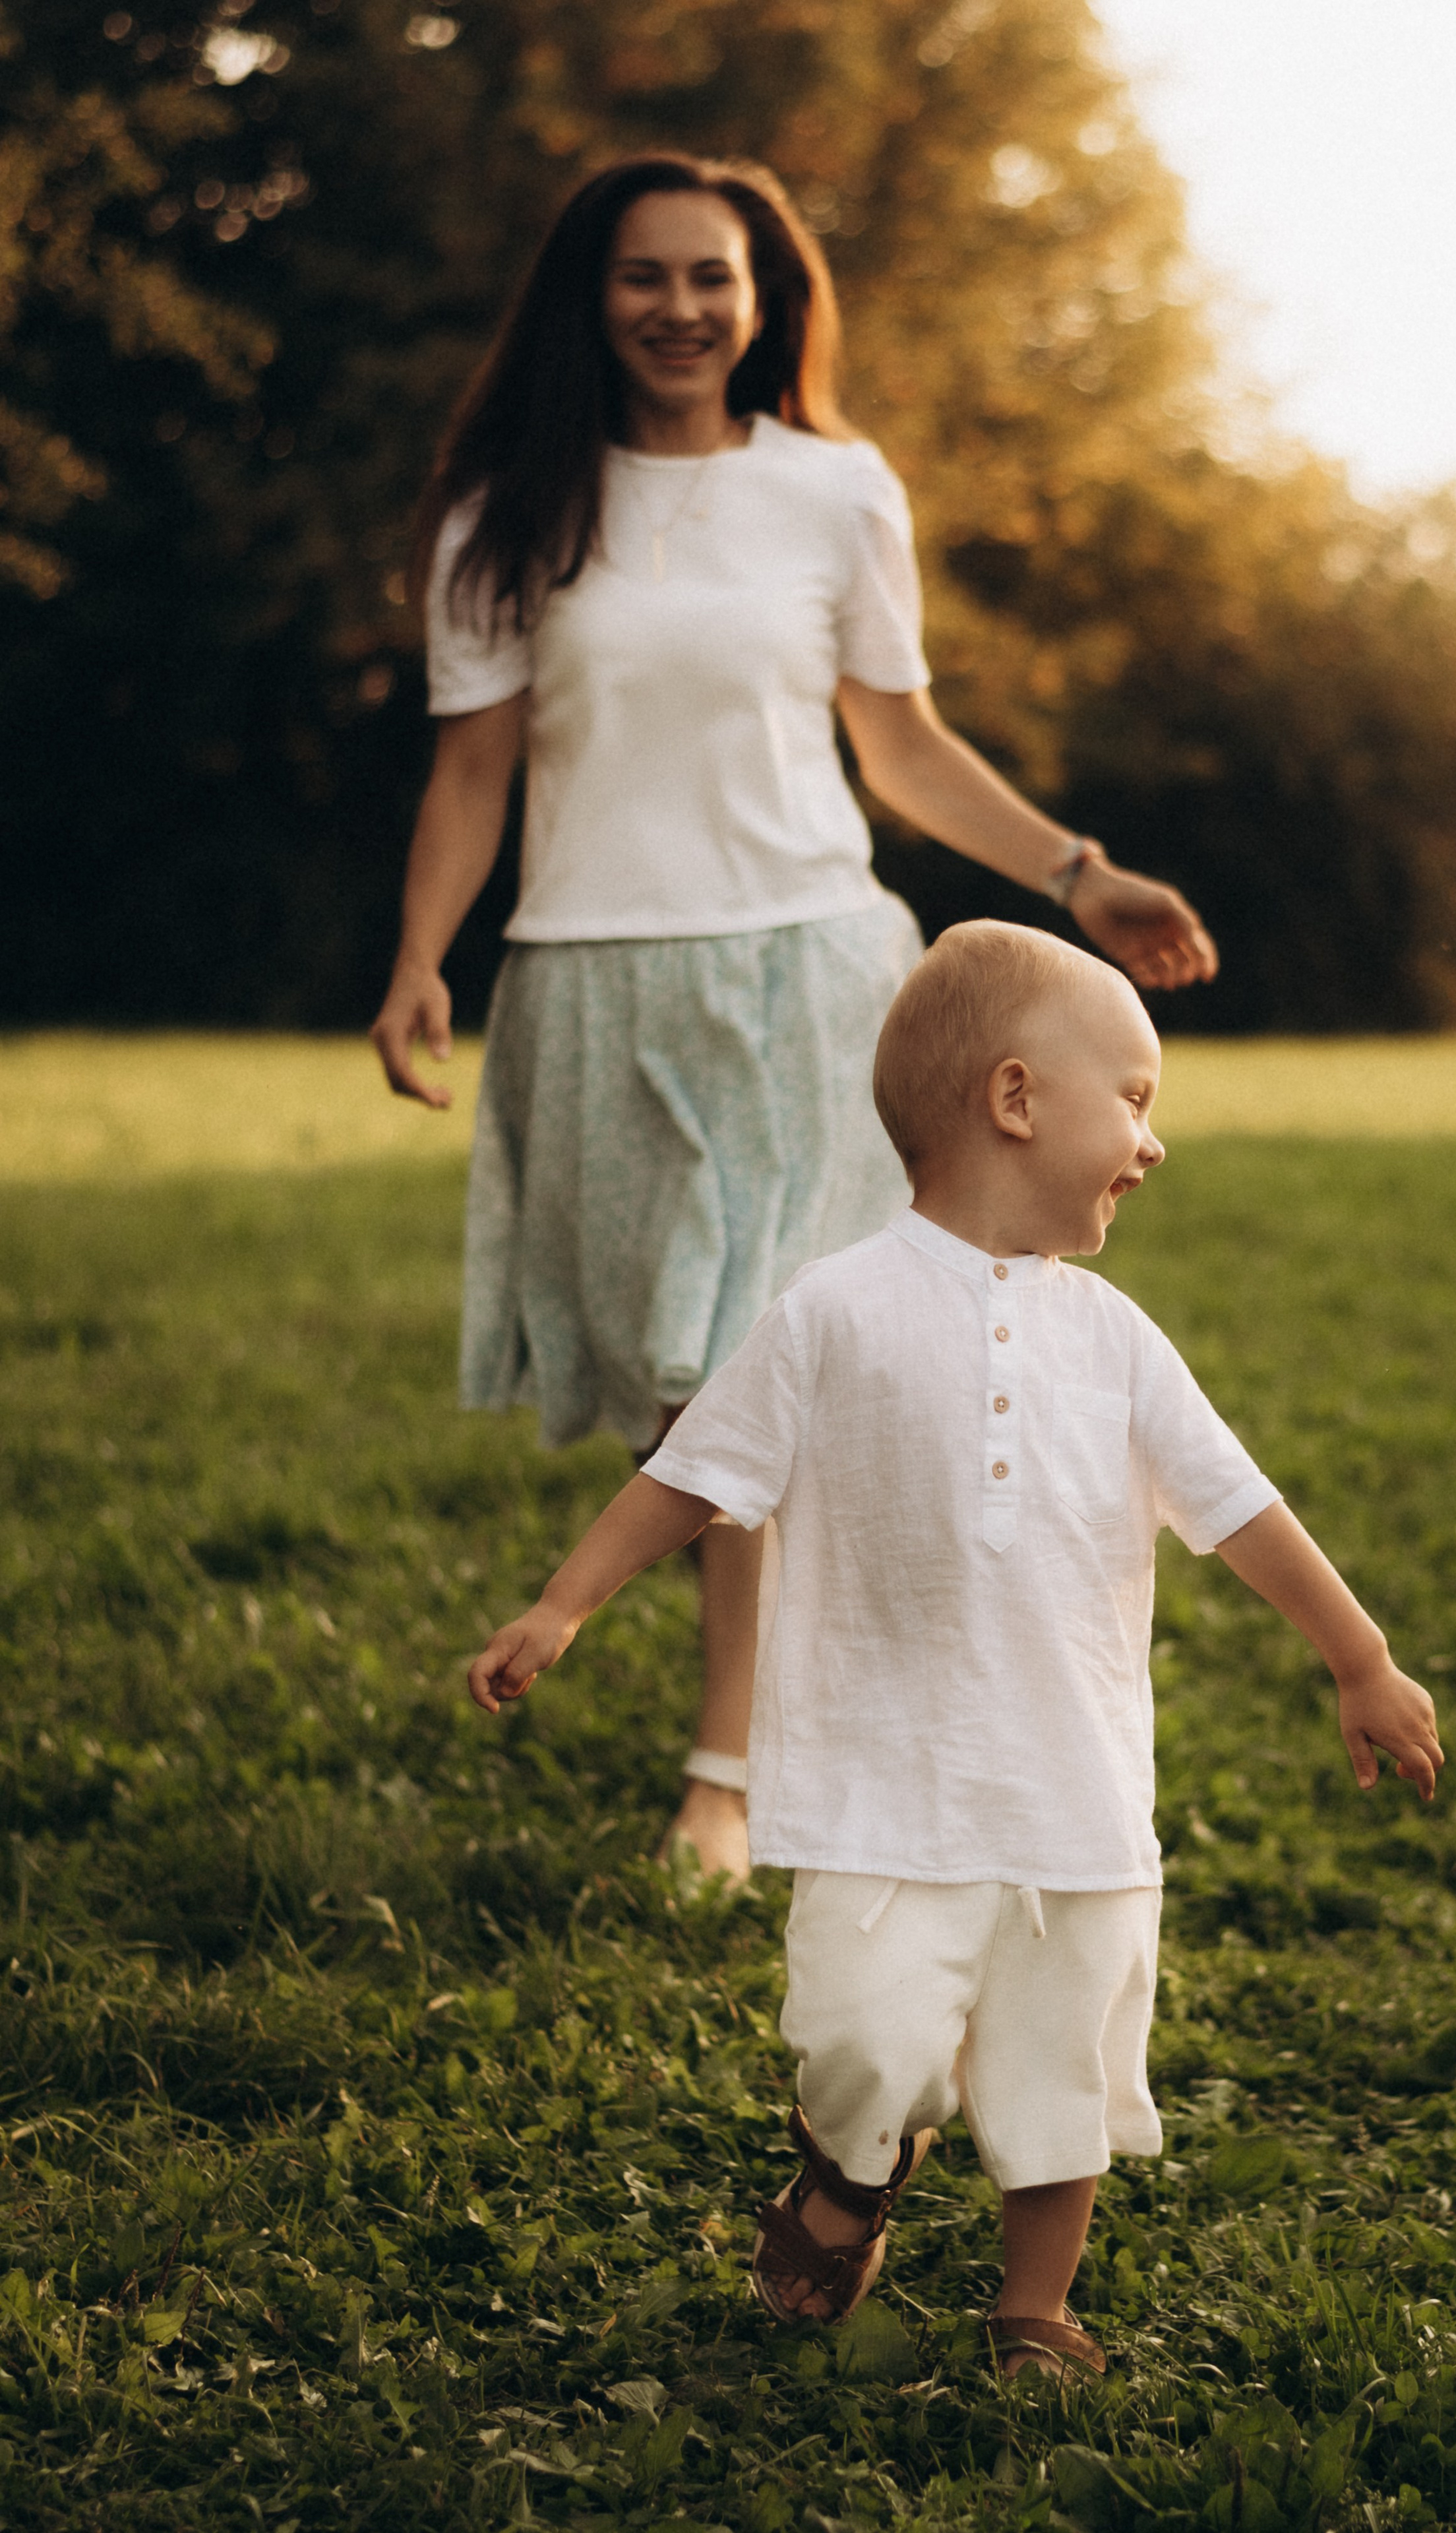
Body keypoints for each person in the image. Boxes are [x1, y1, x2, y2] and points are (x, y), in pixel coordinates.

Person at [371, 151, 1218, 1886]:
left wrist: (1078, 873)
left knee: (746, 1359)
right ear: (590, 297)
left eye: (713, 277)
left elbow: (898, 743)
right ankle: (814, 1699)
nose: (679, 308)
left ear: (762, 301)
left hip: (808, 973)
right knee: (669, 1388)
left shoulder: (833, 489)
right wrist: (416, 960)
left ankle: (728, 1772)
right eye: (644, 276)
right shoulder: (501, 514)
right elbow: (471, 769)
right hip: (594, 976)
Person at [466, 920, 1444, 2377]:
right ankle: (851, 2167)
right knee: (864, 2040)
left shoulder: (1117, 1341)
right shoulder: (832, 1311)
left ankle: (1033, 2309)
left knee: (1060, 2073)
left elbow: (1242, 1509)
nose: (1152, 1142)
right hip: (882, 1785)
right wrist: (564, 1603)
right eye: (1134, 1099)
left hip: (1072, 1794)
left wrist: (1358, 1658)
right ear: (1013, 1099)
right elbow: (693, 1477)